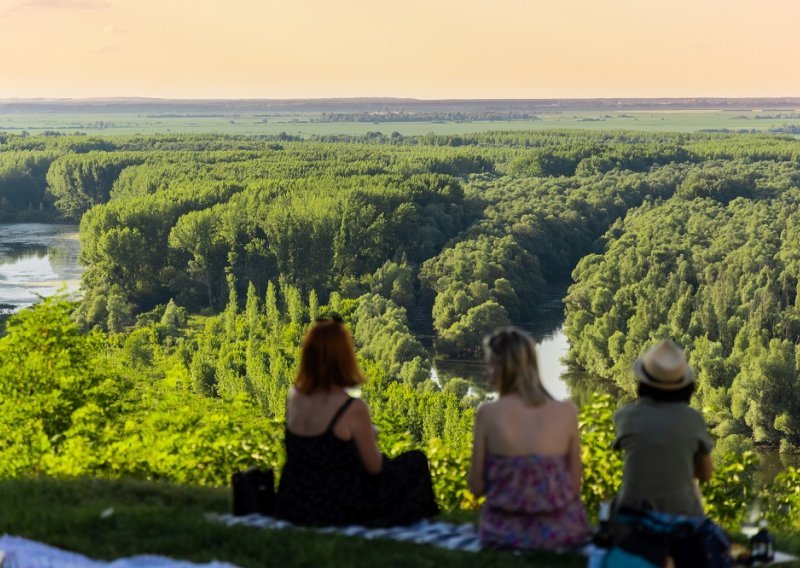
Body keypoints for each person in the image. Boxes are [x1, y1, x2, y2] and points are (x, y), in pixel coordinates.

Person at [274, 317, 439, 527]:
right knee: (415, 460)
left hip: (295, 502)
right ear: (344, 357)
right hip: (336, 506)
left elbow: (315, 450)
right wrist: (371, 435)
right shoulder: (352, 407)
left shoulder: (295, 395)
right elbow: (374, 467)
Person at [468, 327, 590, 550]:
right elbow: (574, 486)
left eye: (491, 365)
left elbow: (475, 486)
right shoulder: (567, 411)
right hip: (561, 530)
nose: (487, 372)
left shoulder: (488, 413)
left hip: (504, 532)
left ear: (504, 369)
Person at [613, 339, 713, 516]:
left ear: (642, 383)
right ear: (685, 386)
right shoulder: (692, 419)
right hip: (681, 518)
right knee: (693, 490)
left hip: (632, 517)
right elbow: (705, 474)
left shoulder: (624, 416)